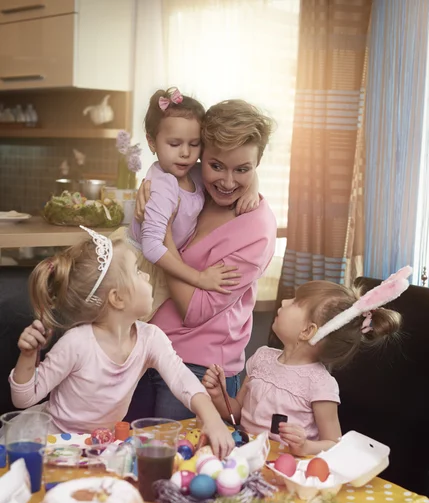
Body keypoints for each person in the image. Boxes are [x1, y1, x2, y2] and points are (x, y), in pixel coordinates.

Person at [8, 227, 235, 459]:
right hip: (53, 446)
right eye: (137, 272)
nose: (147, 276)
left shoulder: (150, 338)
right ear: (117, 298)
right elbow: (24, 398)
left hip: (100, 448)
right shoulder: (77, 344)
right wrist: (28, 355)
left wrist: (212, 418)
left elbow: (181, 378)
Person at [127, 99, 277, 422]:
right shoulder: (195, 185)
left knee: (180, 467)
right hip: (145, 349)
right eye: (216, 165)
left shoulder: (256, 229)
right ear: (201, 156)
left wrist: (161, 232)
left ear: (257, 164)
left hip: (199, 369)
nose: (226, 182)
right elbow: (164, 172)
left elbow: (194, 310)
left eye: (243, 170)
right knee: (130, 457)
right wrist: (149, 193)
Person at [202, 268, 411, 456]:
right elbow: (237, 414)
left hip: (287, 471)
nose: (284, 302)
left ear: (307, 331)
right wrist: (219, 396)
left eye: (294, 302)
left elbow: (334, 443)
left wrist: (305, 446)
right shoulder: (262, 358)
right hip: (245, 459)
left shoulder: (319, 384)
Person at [122, 87, 258, 320]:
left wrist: (253, 187)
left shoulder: (193, 173)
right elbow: (152, 248)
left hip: (163, 262)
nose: (185, 153)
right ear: (152, 142)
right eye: (174, 144)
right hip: (141, 266)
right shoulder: (163, 186)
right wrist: (200, 278)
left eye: (194, 144)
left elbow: (236, 164)